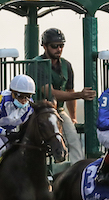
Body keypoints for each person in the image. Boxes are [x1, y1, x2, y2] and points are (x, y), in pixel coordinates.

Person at [31, 28, 93, 161]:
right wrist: (80, 95)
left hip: (58, 110)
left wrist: (73, 117)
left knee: (73, 140)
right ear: (44, 46)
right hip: (37, 110)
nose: (58, 49)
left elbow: (69, 91)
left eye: (61, 46)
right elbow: (50, 92)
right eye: (54, 46)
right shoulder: (37, 64)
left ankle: (76, 172)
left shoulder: (66, 65)